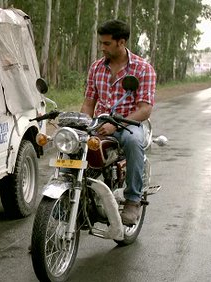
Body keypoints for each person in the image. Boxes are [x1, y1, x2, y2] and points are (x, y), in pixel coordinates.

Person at [81, 19, 156, 225]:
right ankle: (76, 196)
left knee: (133, 142)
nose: (102, 47)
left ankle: (133, 199)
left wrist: (116, 124)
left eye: (106, 43)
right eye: (101, 43)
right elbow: (89, 102)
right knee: (74, 143)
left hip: (128, 123)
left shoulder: (142, 69)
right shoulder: (97, 68)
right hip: (100, 122)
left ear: (121, 42)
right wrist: (84, 125)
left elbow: (145, 109)